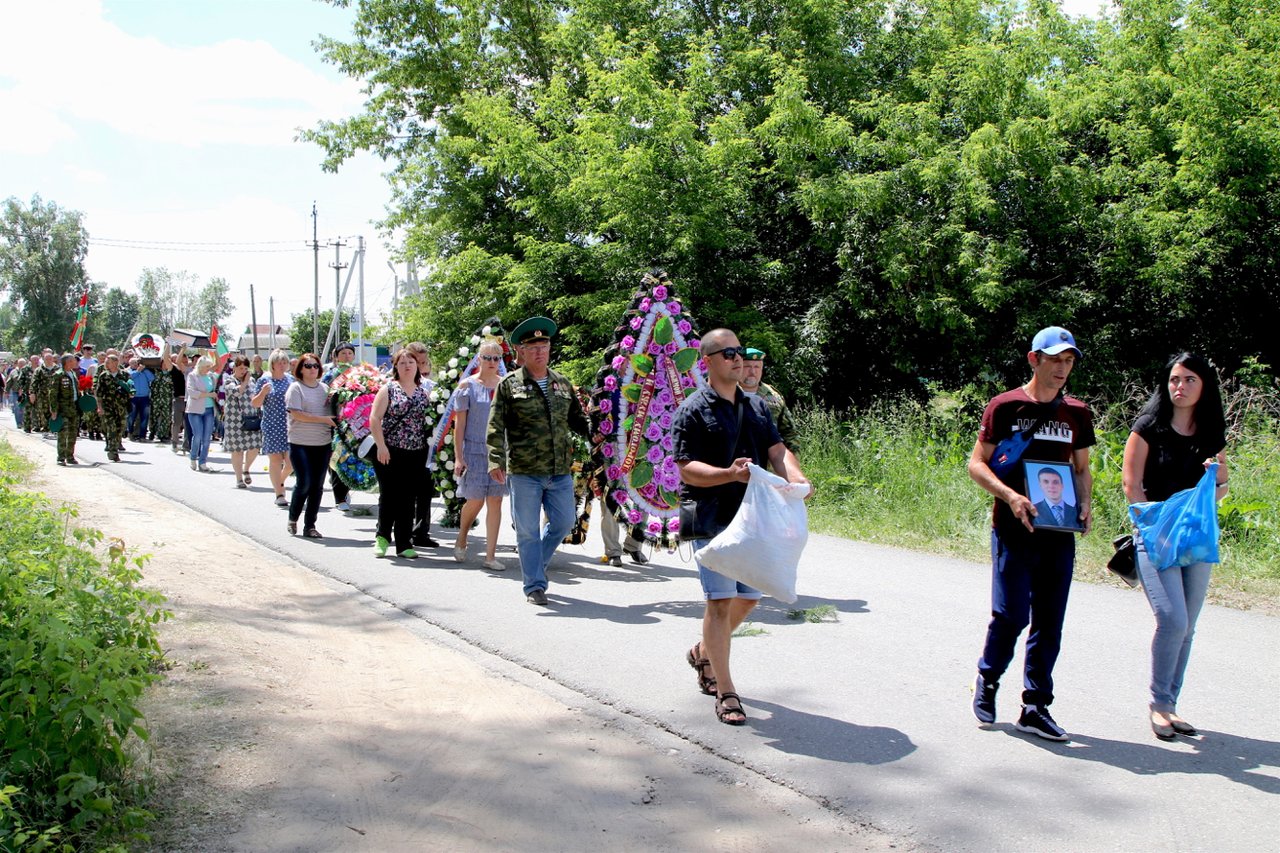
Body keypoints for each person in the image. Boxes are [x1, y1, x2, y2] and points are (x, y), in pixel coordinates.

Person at [673, 328, 810, 726]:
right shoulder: (692, 410)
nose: (738, 358)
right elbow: (687, 469)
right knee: (718, 602)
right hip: (711, 515)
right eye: (728, 352)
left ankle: (703, 651)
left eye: (739, 351)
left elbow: (777, 450)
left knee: (749, 598)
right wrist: (727, 475)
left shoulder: (757, 406)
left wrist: (796, 478)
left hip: (752, 518)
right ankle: (726, 691)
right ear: (709, 361)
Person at [967, 326, 1094, 741]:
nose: (1063, 368)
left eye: (1069, 360)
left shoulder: (1077, 412)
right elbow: (977, 464)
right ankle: (988, 677)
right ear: (1034, 359)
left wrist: (1086, 503)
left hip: (1058, 532)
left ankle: (1035, 706)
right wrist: (1010, 496)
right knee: (1012, 615)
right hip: (1012, 529)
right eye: (1055, 359)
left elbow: (1080, 468)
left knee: (1050, 621)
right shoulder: (1004, 406)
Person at [1122, 353, 1228, 741]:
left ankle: (1170, 704)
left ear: (1204, 387)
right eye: (1174, 380)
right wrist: (1153, 529)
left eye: (1189, 380)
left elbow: (1222, 487)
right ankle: (1158, 705)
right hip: (1155, 538)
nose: (1179, 387)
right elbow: (1132, 486)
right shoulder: (1148, 426)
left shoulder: (1211, 431)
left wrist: (1213, 481)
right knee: (1173, 620)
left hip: (1196, 539)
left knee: (1188, 627)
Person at [486, 317, 591, 605]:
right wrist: (495, 461)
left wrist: (602, 436)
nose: (539, 351)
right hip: (524, 471)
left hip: (559, 470)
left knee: (565, 522)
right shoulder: (509, 385)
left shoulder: (562, 383)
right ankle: (534, 585)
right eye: (532, 346)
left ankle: (535, 562)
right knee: (528, 530)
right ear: (521, 351)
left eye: (544, 345)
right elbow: (495, 426)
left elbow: (579, 422)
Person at [368, 348, 433, 557]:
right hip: (390, 450)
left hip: (417, 451)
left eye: (411, 363)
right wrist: (381, 446)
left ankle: (404, 543)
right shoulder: (389, 389)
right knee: (389, 495)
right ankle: (382, 537)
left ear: (418, 366)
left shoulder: (424, 392)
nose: (407, 366)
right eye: (402, 363)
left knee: (408, 497)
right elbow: (375, 419)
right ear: (395, 366)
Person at [451, 340, 507, 570]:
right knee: (475, 500)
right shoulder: (467, 386)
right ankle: (462, 536)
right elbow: (460, 424)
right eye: (487, 357)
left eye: (496, 358)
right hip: (473, 450)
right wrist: (458, 456)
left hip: (498, 453)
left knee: (495, 501)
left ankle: (490, 556)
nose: (492, 362)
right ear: (479, 359)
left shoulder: (506, 386)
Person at [284, 353, 335, 538]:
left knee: (317, 486)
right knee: (304, 482)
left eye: (315, 365)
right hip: (300, 443)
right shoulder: (295, 389)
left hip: (322, 443)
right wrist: (323, 420)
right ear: (300, 369)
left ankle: (310, 525)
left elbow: (335, 414)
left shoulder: (325, 389)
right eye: (308, 366)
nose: (312, 369)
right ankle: (293, 518)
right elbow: (297, 414)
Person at [405, 341, 440, 548]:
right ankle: (395, 528)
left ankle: (421, 532)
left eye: (424, 362)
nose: (421, 366)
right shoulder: (394, 384)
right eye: (416, 361)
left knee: (425, 490)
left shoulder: (431, 387)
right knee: (402, 490)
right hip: (402, 445)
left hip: (425, 445)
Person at [252, 349, 294, 507]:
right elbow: (255, 403)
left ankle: (279, 482)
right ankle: (279, 493)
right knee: (276, 460)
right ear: (272, 364)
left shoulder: (290, 380)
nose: (282, 365)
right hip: (272, 424)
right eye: (279, 362)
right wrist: (262, 393)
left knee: (291, 463)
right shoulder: (264, 381)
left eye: (285, 362)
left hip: (289, 426)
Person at [739, 347, 799, 450]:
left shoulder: (773, 395)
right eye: (747, 366)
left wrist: (792, 460)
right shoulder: (726, 393)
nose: (752, 371)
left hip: (769, 463)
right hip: (734, 462)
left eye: (757, 367)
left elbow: (789, 432)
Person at [322, 341, 357, 511]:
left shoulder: (359, 375)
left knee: (351, 458)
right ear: (336, 357)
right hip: (335, 422)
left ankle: (344, 486)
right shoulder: (331, 375)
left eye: (350, 353)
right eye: (343, 354)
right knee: (337, 456)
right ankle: (340, 497)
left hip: (355, 423)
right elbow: (325, 398)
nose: (347, 356)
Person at [222, 355, 261, 488]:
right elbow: (237, 392)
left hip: (251, 418)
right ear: (235, 368)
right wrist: (244, 382)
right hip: (234, 420)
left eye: (245, 368)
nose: (243, 371)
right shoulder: (229, 380)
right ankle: (239, 478)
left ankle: (246, 468)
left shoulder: (252, 382)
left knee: (255, 447)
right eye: (240, 368)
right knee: (237, 450)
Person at [94, 353, 132, 462]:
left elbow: (131, 389)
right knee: (111, 429)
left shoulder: (125, 375)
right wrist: (99, 407)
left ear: (115, 363)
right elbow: (99, 393)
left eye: (108, 362)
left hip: (121, 407)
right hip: (108, 407)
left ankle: (114, 447)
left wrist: (130, 393)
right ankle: (113, 452)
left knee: (120, 429)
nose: (106, 364)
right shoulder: (103, 376)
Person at [186, 355, 218, 472]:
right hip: (195, 410)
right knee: (198, 435)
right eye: (206, 366)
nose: (209, 368)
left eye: (209, 366)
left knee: (206, 438)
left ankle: (203, 461)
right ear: (201, 366)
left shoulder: (211, 377)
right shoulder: (192, 376)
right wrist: (208, 395)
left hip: (209, 409)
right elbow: (192, 392)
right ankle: (193, 457)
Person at [50, 353, 82, 466]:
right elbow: (53, 394)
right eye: (73, 361)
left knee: (73, 433)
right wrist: (53, 410)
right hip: (63, 409)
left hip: (74, 408)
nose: (75, 362)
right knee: (63, 433)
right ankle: (61, 457)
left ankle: (70, 456)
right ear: (67, 362)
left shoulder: (72, 373)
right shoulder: (58, 375)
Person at [161, 346, 190, 454]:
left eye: (186, 360)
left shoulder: (191, 372)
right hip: (178, 400)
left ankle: (186, 445)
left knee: (188, 424)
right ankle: (174, 443)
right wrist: (168, 344)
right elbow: (165, 358)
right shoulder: (174, 370)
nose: (185, 362)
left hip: (189, 401)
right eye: (183, 359)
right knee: (176, 423)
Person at [127, 357, 154, 441]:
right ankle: (130, 432)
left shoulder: (144, 371)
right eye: (133, 363)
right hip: (133, 397)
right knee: (131, 416)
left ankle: (142, 435)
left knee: (144, 417)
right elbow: (130, 377)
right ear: (130, 364)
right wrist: (138, 371)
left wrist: (144, 370)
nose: (135, 364)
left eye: (136, 362)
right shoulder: (128, 371)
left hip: (144, 397)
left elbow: (152, 378)